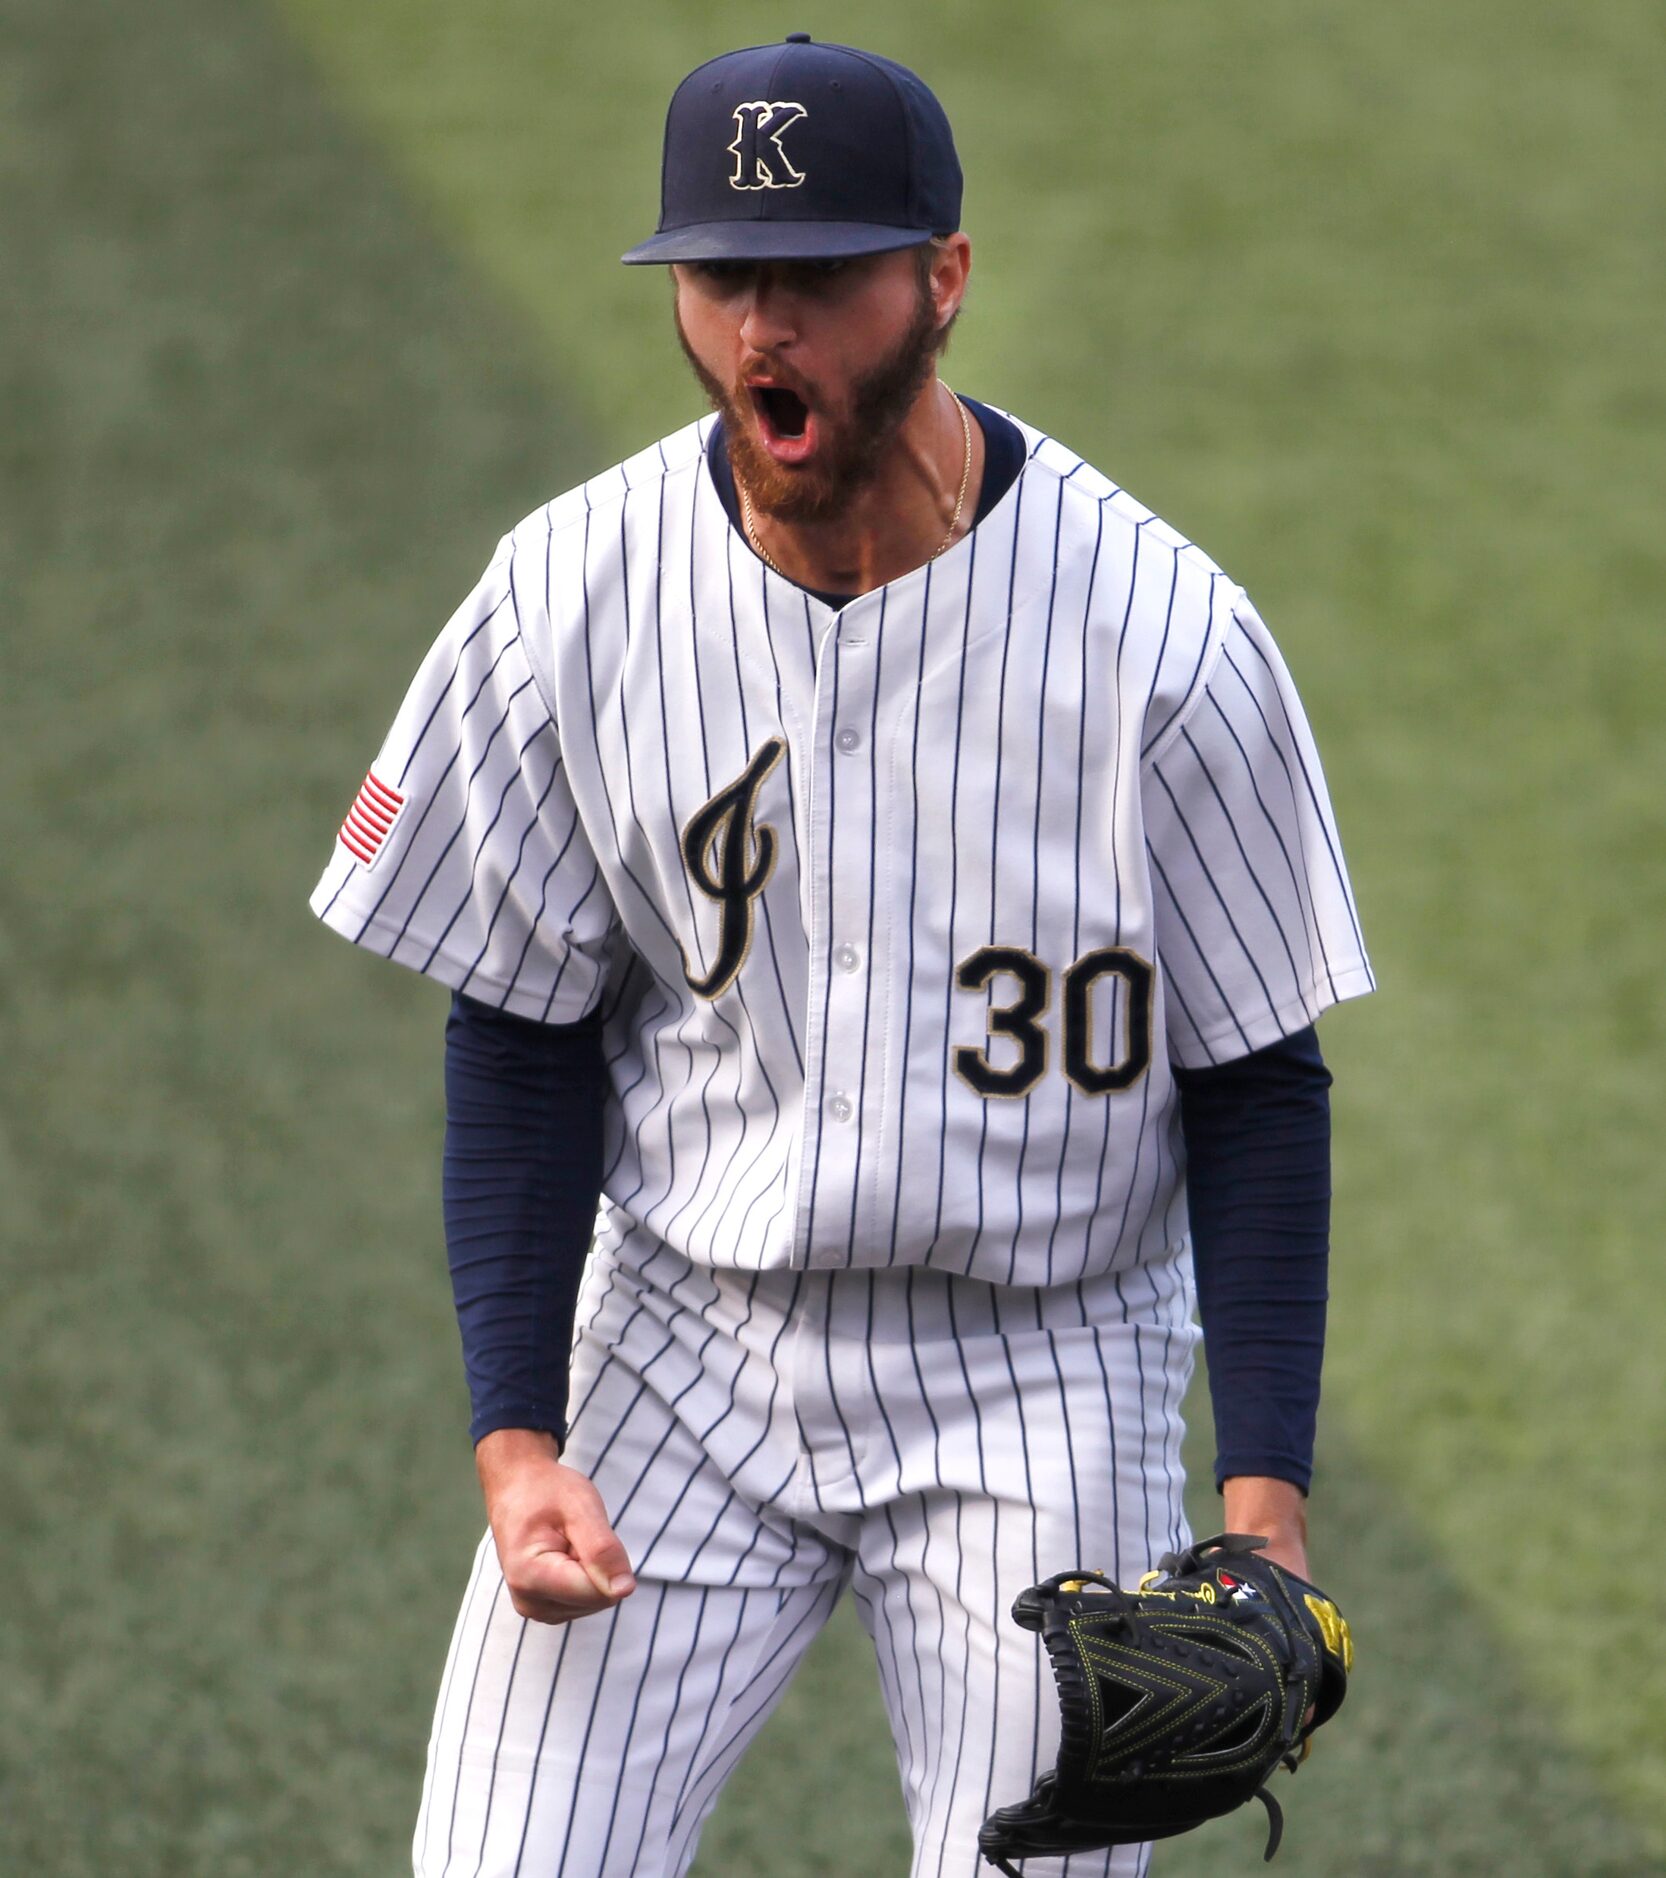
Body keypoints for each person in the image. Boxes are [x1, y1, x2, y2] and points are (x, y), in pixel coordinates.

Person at [311, 34, 1373, 1878]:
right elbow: (521, 1031)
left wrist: (1260, 1512)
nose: (760, 334)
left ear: (940, 280)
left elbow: (1258, 1079)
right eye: (723, 280)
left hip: (1038, 1365)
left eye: (816, 280)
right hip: (679, 1353)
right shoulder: (570, 599)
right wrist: (515, 1440)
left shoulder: (1165, 644)